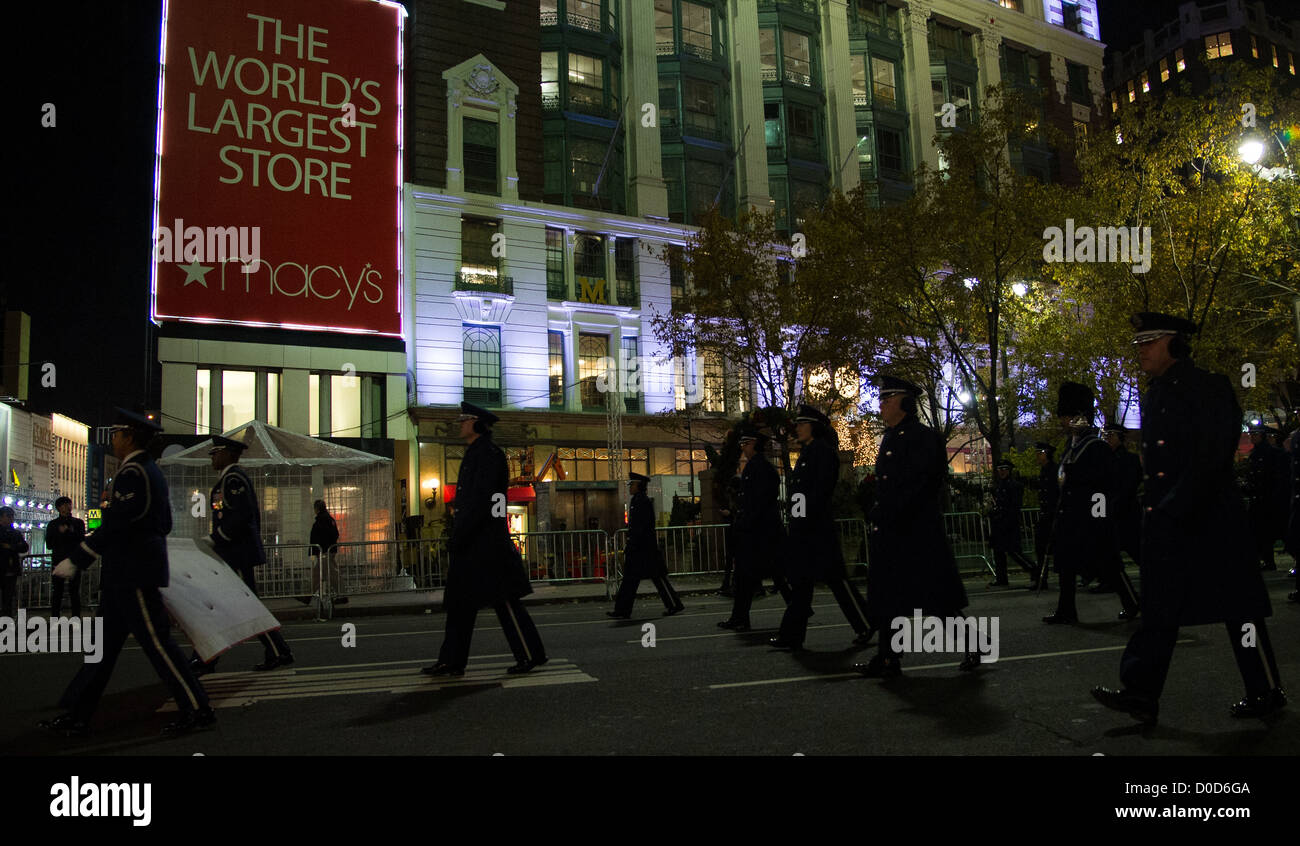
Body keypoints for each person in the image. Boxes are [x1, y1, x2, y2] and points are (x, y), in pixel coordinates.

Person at [1092, 313, 1284, 725]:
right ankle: (1141, 694)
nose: (1140, 350)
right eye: (1138, 343)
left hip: (1211, 518)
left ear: (1175, 344)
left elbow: (1213, 454)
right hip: (1170, 519)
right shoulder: (1157, 391)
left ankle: (1265, 689)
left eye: (1149, 341)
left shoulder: (1209, 386)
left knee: (1240, 610)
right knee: (1159, 610)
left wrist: (1173, 505)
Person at [40, 407, 214, 738]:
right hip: (126, 575)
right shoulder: (148, 471)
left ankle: (197, 707)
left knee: (158, 644)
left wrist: (80, 556)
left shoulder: (133, 473)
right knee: (101, 649)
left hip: (133, 575)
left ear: (129, 436)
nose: (114, 439)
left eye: (117, 433)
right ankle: (78, 713)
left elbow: (119, 524)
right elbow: (163, 523)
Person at [856, 378, 972, 676]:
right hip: (894, 530)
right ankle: (887, 657)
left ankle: (974, 644)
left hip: (915, 531)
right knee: (889, 599)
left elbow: (921, 484)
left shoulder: (923, 438)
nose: (880, 404)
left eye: (887, 398)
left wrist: (891, 511)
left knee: (934, 600)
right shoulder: (892, 437)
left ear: (906, 403)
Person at [424, 402, 547, 676]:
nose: (460, 423)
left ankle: (529, 654)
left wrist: (473, 531)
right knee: (459, 604)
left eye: (464, 419)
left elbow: (487, 501)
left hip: (486, 543)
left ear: (478, 423)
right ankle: (451, 660)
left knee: (505, 600)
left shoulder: (489, 455)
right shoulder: (476, 453)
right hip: (472, 542)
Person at [770, 405, 873, 651]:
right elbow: (799, 494)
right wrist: (796, 520)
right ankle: (791, 635)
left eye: (802, 424)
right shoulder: (808, 453)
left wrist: (802, 518)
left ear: (813, 426)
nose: (798, 429)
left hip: (817, 529)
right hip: (805, 528)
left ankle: (867, 623)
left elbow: (819, 491)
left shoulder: (822, 452)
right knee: (803, 583)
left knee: (837, 581)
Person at [190, 435, 293, 675]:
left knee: (241, 607)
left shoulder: (234, 479)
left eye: (216, 452)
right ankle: (208, 658)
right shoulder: (229, 479)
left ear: (227, 453)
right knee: (239, 606)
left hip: (236, 554)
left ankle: (206, 659)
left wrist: (214, 539)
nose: (213, 457)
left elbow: (240, 517)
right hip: (233, 554)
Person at [1043, 382, 1139, 623]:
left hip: (1091, 518)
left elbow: (1105, 485)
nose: (1064, 422)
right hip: (1071, 515)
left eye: (1069, 417)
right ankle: (1067, 610)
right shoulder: (1071, 446)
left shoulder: (1096, 447)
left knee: (1108, 565)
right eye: (1064, 417)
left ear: (1081, 418)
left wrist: (1098, 516)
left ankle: (1133, 603)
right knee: (1066, 565)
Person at [719, 424, 792, 631]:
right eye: (742, 444)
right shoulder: (754, 466)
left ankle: (797, 609)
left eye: (745, 444)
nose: (743, 448)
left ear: (754, 444)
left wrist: (746, 522)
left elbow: (759, 500)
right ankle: (739, 618)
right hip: (757, 533)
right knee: (749, 577)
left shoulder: (760, 466)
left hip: (761, 533)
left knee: (769, 575)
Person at [609, 472, 684, 618]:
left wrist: (631, 545)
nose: (630, 487)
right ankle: (622, 610)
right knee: (632, 579)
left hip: (644, 549)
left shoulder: (641, 501)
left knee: (654, 578)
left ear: (638, 485)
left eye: (632, 484)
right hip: (641, 548)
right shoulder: (638, 500)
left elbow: (640, 527)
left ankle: (674, 605)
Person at [1245, 424, 1287, 572]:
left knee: (1275, 531)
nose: (1252, 437)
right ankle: (1267, 560)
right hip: (1259, 499)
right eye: (1251, 434)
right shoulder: (1254, 454)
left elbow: (1277, 477)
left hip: (1269, 499)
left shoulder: (1273, 454)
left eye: (1255, 435)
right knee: (1260, 533)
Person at [1103, 421, 1143, 571]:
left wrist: (1116, 503)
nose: (1107, 439)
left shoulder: (1129, 459)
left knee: (1134, 547)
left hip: (1126, 510)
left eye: (1110, 436)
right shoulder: (1106, 460)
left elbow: (1130, 485)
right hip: (1112, 510)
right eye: (1106, 436)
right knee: (1109, 549)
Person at [989, 458, 1035, 587]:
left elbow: (1014, 506)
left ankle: (1033, 570)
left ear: (1009, 471)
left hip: (1009, 522)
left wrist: (1007, 519)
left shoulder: (1014, 486)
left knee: (1014, 550)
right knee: (998, 552)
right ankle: (1001, 578)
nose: (1001, 472)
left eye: (1004, 469)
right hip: (1000, 521)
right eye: (1000, 469)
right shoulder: (999, 486)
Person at [46, 497, 86, 618]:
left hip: (73, 560)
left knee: (74, 592)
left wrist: (70, 532)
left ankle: (76, 618)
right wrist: (60, 533)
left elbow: (81, 540)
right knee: (58, 592)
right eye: (63, 505)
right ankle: (55, 618)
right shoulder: (53, 524)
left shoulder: (78, 523)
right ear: (58, 508)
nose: (67, 507)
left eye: (68, 504)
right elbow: (49, 544)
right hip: (59, 560)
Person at [1030, 442, 1058, 589]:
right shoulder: (1044, 471)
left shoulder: (1054, 470)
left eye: (1040, 453)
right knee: (1041, 548)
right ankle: (1042, 579)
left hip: (1054, 515)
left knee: (1057, 549)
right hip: (1046, 514)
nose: (1037, 455)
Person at [310, 499, 347, 606]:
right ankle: (308, 594)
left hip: (325, 551)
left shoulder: (322, 520)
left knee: (326, 573)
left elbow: (320, 536)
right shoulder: (328, 519)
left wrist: (319, 548)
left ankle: (308, 594)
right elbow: (334, 534)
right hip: (327, 550)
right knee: (323, 573)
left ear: (316, 508)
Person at [0, 506, 29, 618]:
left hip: (10, 569)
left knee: (8, 598)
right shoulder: (14, 533)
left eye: (12, 516)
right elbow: (22, 546)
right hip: (8, 568)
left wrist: (10, 547)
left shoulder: (15, 533)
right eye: (8, 516)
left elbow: (24, 547)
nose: (11, 519)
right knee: (7, 598)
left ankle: (6, 620)